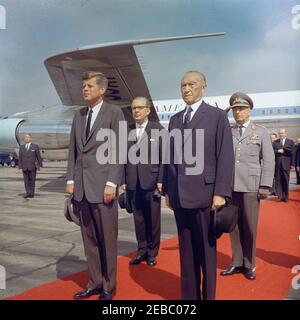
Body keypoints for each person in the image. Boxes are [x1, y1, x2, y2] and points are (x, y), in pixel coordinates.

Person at [163, 71, 234, 300]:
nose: (186, 89)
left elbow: (225, 156)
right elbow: (170, 158)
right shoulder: (175, 120)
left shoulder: (216, 116)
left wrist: (221, 192)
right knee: (186, 254)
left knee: (206, 252)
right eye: (182, 85)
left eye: (191, 84)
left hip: (206, 196)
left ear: (203, 87)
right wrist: (168, 190)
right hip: (180, 197)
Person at [66, 71, 124, 300]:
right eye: (84, 86)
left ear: (102, 90)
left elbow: (118, 150)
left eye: (90, 86)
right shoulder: (79, 115)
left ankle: (109, 286)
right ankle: (94, 281)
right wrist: (70, 179)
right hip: (81, 189)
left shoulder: (114, 113)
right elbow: (73, 151)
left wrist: (112, 182)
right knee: (89, 240)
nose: (85, 89)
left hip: (103, 188)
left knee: (107, 240)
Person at [220, 92, 275, 280]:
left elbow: (268, 160)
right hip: (231, 186)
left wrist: (265, 185)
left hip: (251, 186)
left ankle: (249, 264)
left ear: (249, 110)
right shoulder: (228, 131)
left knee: (250, 226)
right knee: (233, 226)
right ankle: (236, 262)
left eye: (241, 108)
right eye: (235, 109)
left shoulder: (260, 131)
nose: (237, 112)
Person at [122, 96, 164, 267]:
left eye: (140, 108)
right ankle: (141, 250)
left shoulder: (158, 130)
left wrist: (161, 180)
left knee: (153, 219)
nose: (136, 111)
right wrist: (122, 180)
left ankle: (152, 252)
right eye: (134, 108)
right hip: (133, 182)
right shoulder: (126, 130)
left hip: (152, 182)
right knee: (138, 218)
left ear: (148, 110)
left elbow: (164, 158)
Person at [273, 128, 295, 202]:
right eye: (280, 133)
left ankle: (285, 197)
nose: (281, 135)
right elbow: (272, 151)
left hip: (286, 164)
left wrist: (293, 164)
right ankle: (279, 196)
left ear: (285, 134)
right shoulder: (275, 142)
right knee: (278, 181)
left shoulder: (290, 141)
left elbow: (293, 153)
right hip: (278, 164)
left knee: (285, 180)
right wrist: (277, 151)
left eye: (282, 133)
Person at [18, 133, 42, 198]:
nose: (27, 138)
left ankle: (32, 193)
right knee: (26, 181)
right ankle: (28, 193)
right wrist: (20, 166)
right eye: (25, 137)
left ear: (30, 138)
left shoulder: (35, 146)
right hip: (24, 167)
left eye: (28, 137)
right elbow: (20, 157)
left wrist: (40, 165)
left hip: (32, 167)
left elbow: (38, 156)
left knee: (32, 180)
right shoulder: (21, 147)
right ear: (24, 139)